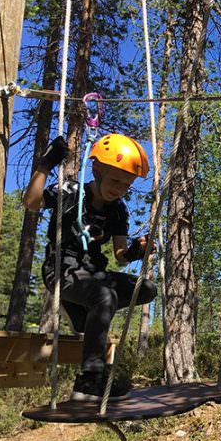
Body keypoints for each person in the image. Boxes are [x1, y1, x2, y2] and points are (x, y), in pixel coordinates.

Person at [24, 133, 157, 401]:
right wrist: (45, 165)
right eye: (115, 180)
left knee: (146, 289)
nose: (119, 189)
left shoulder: (118, 210)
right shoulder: (71, 193)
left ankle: (83, 314)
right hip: (63, 270)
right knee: (104, 297)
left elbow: (120, 254)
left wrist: (136, 251)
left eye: (126, 185)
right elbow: (32, 203)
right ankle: (89, 380)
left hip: (94, 274)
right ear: (97, 170)